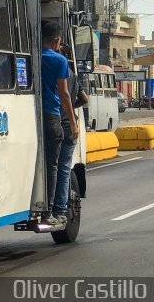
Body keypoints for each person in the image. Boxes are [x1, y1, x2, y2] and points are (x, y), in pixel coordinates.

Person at [41, 21, 79, 225]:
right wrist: (73, 123)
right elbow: (64, 94)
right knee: (54, 166)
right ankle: (53, 211)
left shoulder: (28, 58)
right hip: (52, 118)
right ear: (57, 40)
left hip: (29, 117)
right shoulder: (59, 61)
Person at [53, 44, 89, 224]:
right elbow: (84, 98)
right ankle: (61, 208)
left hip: (55, 123)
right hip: (69, 126)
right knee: (64, 168)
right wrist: (71, 111)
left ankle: (57, 206)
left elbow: (63, 95)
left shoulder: (52, 71)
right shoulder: (73, 75)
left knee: (54, 166)